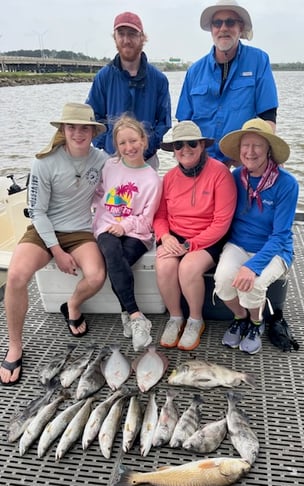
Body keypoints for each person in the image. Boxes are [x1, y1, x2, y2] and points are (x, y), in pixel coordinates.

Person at [0, 103, 108, 386]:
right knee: (15, 276)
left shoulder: (102, 159)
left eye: (85, 127)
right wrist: (56, 251)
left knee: (97, 275)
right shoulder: (43, 162)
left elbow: (121, 187)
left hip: (81, 231)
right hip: (43, 229)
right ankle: (14, 345)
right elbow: (36, 211)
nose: (78, 133)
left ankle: (71, 305)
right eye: (72, 126)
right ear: (63, 129)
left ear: (94, 132)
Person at [214, 118, 299, 355]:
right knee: (222, 281)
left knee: (255, 284)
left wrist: (252, 267)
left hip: (275, 248)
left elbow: (281, 235)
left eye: (258, 145)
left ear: (269, 150)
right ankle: (240, 317)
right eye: (245, 145)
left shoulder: (287, 184)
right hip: (239, 243)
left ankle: (255, 323)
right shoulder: (235, 177)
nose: (250, 152)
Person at [153, 121, 237, 351]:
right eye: (179, 145)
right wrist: (165, 237)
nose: (185, 149)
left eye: (191, 143)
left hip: (209, 238)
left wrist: (191, 245)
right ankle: (175, 317)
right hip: (176, 236)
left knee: (188, 267)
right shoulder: (169, 178)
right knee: (164, 264)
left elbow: (221, 223)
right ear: (173, 150)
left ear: (202, 145)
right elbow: (159, 217)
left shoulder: (220, 173)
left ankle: (195, 320)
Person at [176, 0, 278, 166]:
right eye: (217, 23)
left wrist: (265, 157)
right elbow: (183, 125)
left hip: (243, 162)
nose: (223, 28)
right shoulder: (194, 71)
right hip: (202, 162)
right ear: (212, 29)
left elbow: (268, 118)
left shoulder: (259, 60)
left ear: (240, 28)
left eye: (230, 22)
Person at [92, 115, 162, 352]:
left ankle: (126, 311)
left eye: (133, 141)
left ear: (143, 141)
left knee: (117, 260)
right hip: (106, 226)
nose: (128, 147)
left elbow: (146, 219)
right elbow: (99, 194)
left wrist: (125, 226)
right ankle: (135, 314)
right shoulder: (110, 166)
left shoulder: (152, 178)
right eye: (122, 143)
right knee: (111, 250)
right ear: (116, 146)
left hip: (137, 233)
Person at [86, 11, 172, 170]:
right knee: (112, 196)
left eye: (132, 34)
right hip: (111, 159)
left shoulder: (159, 80)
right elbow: (92, 117)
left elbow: (164, 121)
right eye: (121, 34)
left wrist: (148, 145)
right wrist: (108, 144)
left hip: (147, 159)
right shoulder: (103, 77)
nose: (126, 40)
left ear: (142, 37)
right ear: (115, 37)